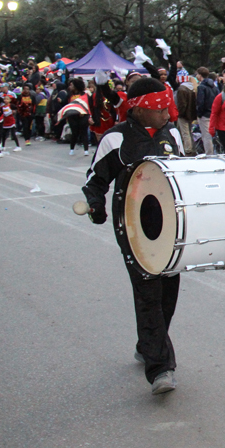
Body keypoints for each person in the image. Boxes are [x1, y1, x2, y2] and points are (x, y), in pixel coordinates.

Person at [81, 77, 185, 395]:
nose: (167, 114)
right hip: (134, 228)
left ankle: (147, 343)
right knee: (148, 294)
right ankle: (160, 369)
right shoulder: (115, 140)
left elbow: (185, 173)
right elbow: (95, 180)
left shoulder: (173, 134)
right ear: (138, 111)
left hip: (171, 227)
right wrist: (95, 205)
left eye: (168, 107)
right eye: (159, 109)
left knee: (168, 291)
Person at [195, 67, 218, 155]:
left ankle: (209, 155)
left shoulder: (201, 87)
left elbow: (200, 101)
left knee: (206, 136)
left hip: (205, 114)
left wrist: (199, 113)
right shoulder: (214, 86)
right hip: (213, 113)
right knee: (212, 136)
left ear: (200, 75)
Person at [66, 78, 91, 156]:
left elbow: (88, 104)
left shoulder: (84, 95)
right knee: (74, 133)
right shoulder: (70, 95)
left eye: (72, 85)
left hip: (83, 115)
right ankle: (72, 148)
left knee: (84, 132)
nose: (70, 86)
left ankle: (86, 149)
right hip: (72, 116)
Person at [175, 75, 197, 155]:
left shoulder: (182, 89)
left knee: (185, 133)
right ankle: (192, 147)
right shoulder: (192, 89)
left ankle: (188, 149)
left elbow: (182, 104)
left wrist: (180, 113)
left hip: (183, 114)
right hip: (191, 113)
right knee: (189, 132)